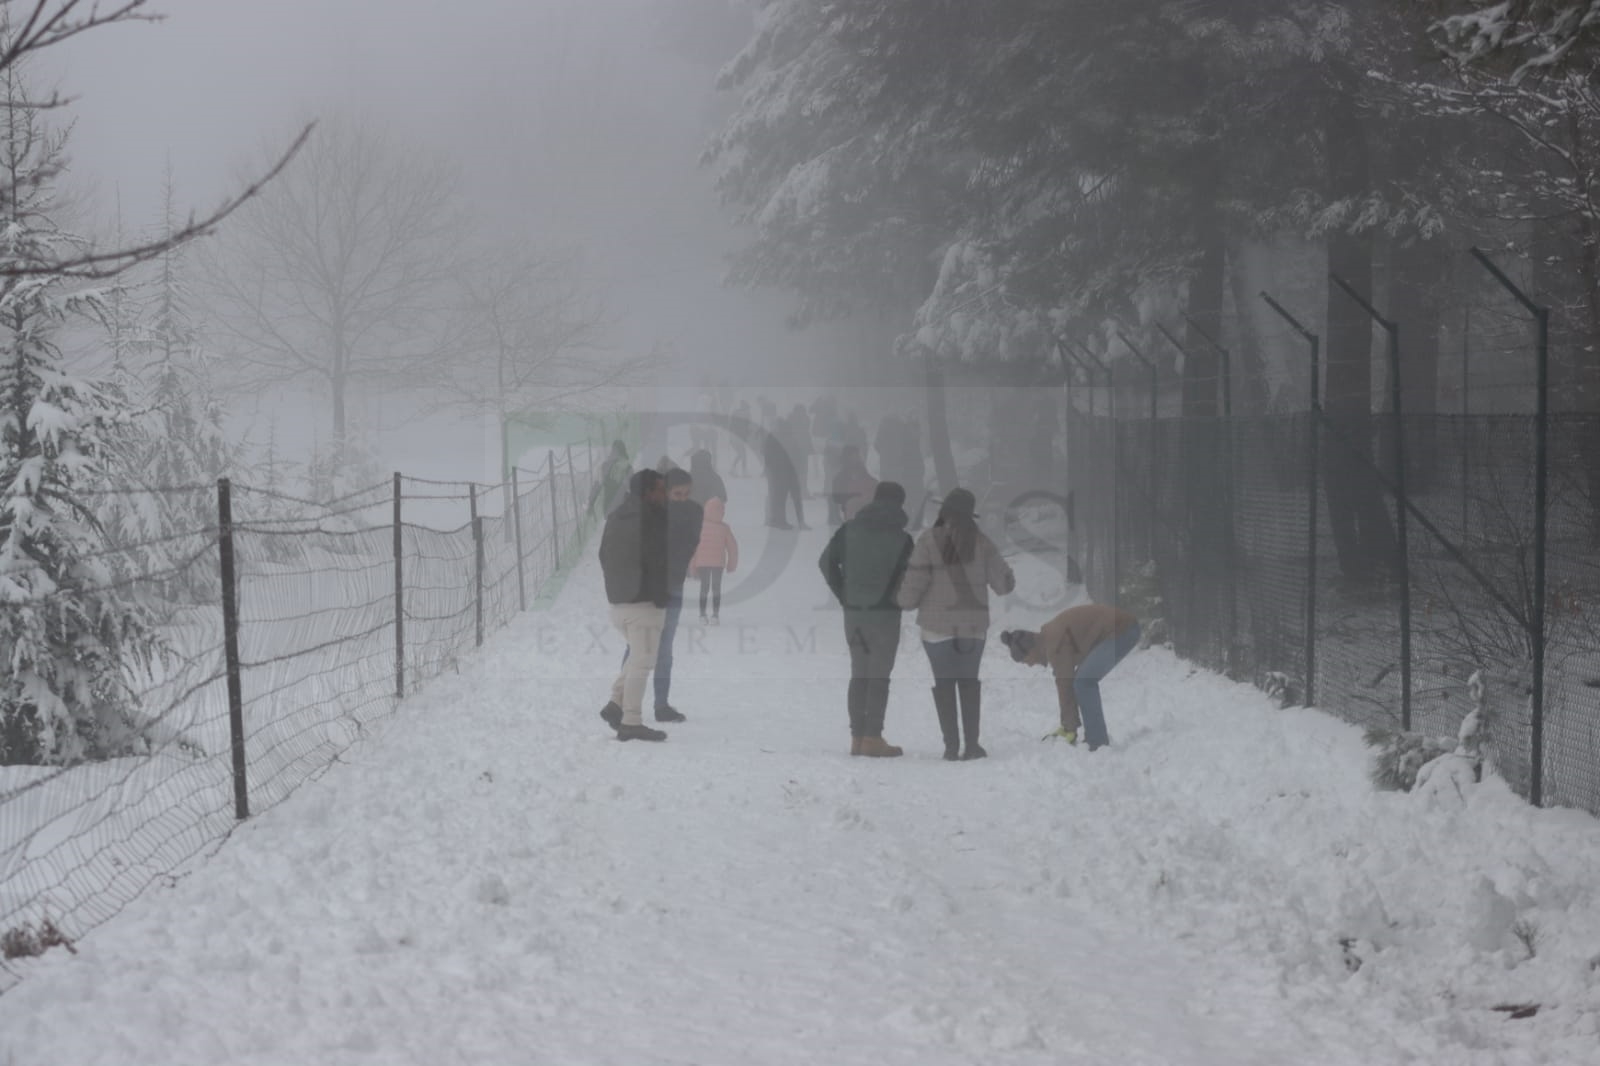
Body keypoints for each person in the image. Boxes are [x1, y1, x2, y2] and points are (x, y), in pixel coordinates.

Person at [897, 488, 1015, 760]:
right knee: (969, 682)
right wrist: (1005, 574)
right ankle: (972, 745)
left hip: (936, 629)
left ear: (944, 512)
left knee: (944, 682)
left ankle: (951, 746)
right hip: (973, 629)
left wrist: (904, 601)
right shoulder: (982, 542)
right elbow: (1004, 584)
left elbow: (915, 582)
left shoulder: (928, 540)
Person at [819, 482, 914, 757]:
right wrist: (898, 598)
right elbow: (913, 576)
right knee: (879, 675)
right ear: (899, 504)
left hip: (855, 614)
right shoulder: (903, 539)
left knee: (859, 673)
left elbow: (825, 562)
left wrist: (844, 595)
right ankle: (873, 736)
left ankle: (857, 737)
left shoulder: (848, 530)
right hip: (885, 615)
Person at [1001, 604, 1140, 752]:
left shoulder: (1054, 643)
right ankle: (1095, 738)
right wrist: (1068, 725)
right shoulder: (1049, 637)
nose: (1029, 665)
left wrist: (1070, 727)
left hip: (1122, 631)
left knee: (1084, 682)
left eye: (1025, 660)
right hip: (1118, 630)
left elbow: (1064, 682)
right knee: (1081, 680)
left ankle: (1097, 742)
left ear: (1031, 650)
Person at [598, 470, 670, 741]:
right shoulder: (651, 520)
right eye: (660, 490)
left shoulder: (616, 516)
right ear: (648, 492)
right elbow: (658, 560)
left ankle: (616, 704)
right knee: (643, 662)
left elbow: (602, 554)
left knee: (636, 657)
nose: (664, 495)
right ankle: (631, 722)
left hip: (618, 603)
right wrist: (661, 594)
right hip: (644, 603)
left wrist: (617, 586)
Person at [647, 467, 704, 722]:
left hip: (674, 587)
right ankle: (622, 701)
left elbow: (688, 545)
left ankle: (661, 704)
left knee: (665, 648)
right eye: (677, 494)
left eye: (686, 494)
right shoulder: (653, 512)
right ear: (666, 492)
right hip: (647, 588)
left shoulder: (694, 511)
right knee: (638, 646)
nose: (683, 499)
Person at [691, 496, 739, 624]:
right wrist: (731, 565)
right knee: (716, 588)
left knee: (704, 587)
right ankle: (715, 616)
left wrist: (692, 567)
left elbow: (693, 548)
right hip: (718, 563)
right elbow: (733, 548)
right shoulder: (724, 528)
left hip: (702, 563)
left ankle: (702, 615)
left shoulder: (699, 527)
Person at [763, 421, 806, 530]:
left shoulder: (788, 438)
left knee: (788, 497)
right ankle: (778, 521)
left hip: (788, 472)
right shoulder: (773, 439)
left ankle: (794, 521)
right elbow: (768, 456)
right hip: (781, 473)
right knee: (780, 498)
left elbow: (797, 454)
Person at [831, 444, 878, 522]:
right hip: (851, 506)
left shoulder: (861, 468)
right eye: (855, 454)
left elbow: (869, 480)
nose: (857, 456)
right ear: (848, 456)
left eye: (857, 454)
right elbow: (837, 497)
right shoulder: (841, 475)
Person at [590, 440, 631, 516]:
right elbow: (632, 487)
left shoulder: (605, 466)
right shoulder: (627, 466)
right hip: (623, 507)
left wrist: (591, 502)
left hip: (609, 508)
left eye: (613, 451)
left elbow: (597, 486)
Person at [729, 399, 752, 476]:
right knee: (743, 454)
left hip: (734, 437)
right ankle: (742, 471)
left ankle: (734, 469)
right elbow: (747, 427)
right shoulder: (746, 414)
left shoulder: (736, 412)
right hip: (738, 437)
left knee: (741, 454)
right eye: (748, 408)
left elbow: (731, 424)